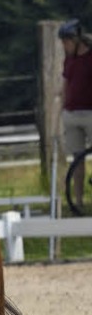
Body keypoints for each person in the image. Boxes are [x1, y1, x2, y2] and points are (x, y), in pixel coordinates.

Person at [58, 19, 92, 208]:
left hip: (90, 113)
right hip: (72, 114)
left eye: (67, 41)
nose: (65, 46)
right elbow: (65, 85)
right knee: (77, 161)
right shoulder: (69, 60)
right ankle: (79, 201)